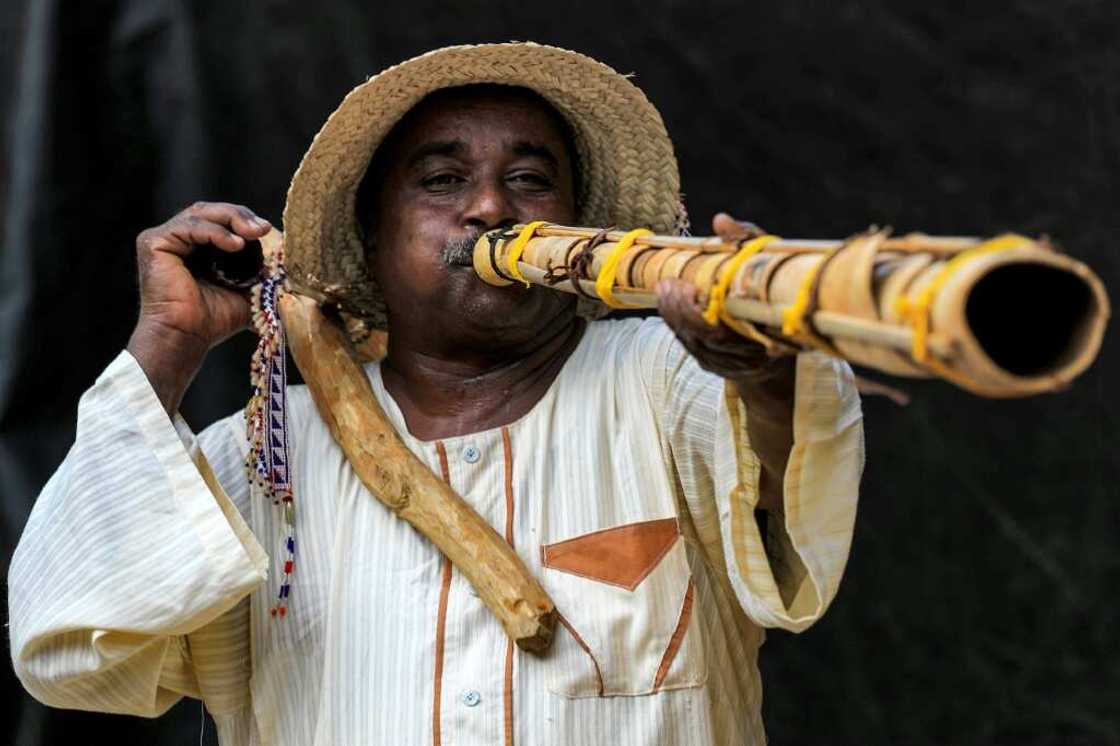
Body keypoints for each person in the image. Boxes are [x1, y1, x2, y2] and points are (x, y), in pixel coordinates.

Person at [8, 43, 863, 745]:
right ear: (371, 239)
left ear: (578, 225)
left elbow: (790, 527)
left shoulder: (664, 377)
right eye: (442, 180)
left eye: (531, 180)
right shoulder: (261, 457)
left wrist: (766, 373)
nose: (491, 207)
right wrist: (167, 345)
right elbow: (74, 651)